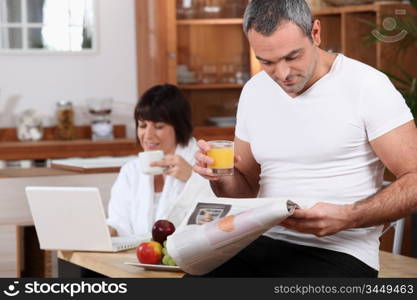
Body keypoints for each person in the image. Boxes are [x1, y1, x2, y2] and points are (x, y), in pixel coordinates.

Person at [193, 0, 417, 277]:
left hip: (340, 254)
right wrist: (221, 176)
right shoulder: (254, 91)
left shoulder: (366, 86)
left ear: (315, 33)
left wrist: (349, 216)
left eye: (292, 57)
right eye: (267, 62)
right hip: (259, 242)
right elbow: (245, 191)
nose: (282, 74)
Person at [107, 84, 213, 237]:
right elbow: (118, 221)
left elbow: (219, 220)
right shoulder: (130, 171)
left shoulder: (202, 162)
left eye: (158, 126)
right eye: (142, 126)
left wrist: (192, 178)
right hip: (140, 256)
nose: (148, 135)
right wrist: (107, 231)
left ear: (178, 126)